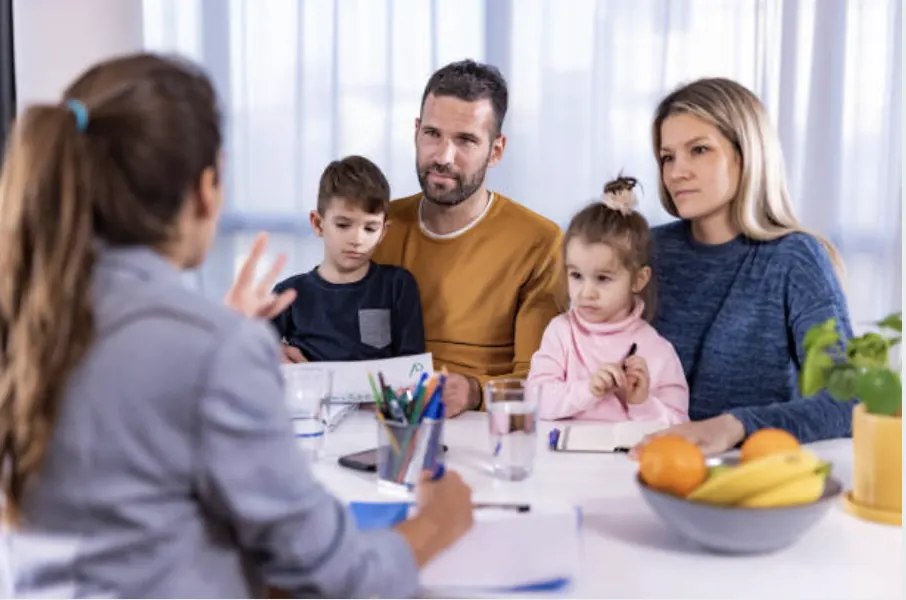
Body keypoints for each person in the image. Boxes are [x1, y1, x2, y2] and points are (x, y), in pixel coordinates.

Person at [0, 53, 474, 599]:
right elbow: (334, 576)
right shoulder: (212, 349)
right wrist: (437, 525)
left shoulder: (29, 316)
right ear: (208, 188)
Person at [630, 77, 854, 457]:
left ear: (746, 155)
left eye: (699, 150)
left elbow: (848, 402)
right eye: (668, 157)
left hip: (746, 471)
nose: (676, 172)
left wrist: (735, 425)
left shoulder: (796, 258)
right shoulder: (647, 250)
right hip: (635, 463)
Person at [372, 59, 563, 417]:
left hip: (482, 430)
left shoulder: (541, 242)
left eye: (466, 140)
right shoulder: (377, 227)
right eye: (433, 134)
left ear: (496, 150)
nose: (443, 157)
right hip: (381, 422)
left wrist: (475, 392)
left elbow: (542, 383)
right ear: (416, 132)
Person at [527, 176, 689, 425]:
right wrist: (587, 390)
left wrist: (642, 404)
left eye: (603, 278)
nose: (586, 293)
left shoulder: (657, 350)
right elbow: (534, 399)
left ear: (638, 279)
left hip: (627, 461)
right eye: (577, 276)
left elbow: (680, 425)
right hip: (561, 460)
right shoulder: (560, 333)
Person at [271, 155, 425, 363]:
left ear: (383, 232)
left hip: (382, 396)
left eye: (370, 228)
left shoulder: (397, 286)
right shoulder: (289, 294)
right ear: (318, 224)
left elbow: (413, 367)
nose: (357, 239)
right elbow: (253, 356)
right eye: (343, 225)